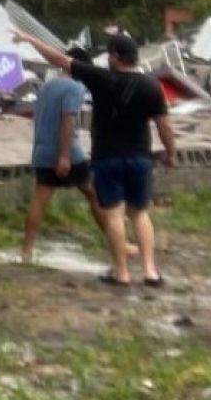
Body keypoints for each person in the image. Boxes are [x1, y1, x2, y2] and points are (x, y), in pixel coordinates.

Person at [13, 29, 177, 287]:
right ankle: (150, 271)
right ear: (134, 57)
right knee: (140, 213)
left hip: (108, 157)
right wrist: (171, 153)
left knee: (113, 215)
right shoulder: (152, 86)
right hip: (139, 157)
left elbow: (59, 59)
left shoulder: (100, 79)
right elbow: (164, 125)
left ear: (114, 56)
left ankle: (121, 272)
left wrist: (29, 39)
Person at [22, 46, 106, 264]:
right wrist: (65, 155)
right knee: (94, 195)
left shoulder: (47, 87)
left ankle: (26, 251)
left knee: (39, 200)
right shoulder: (75, 88)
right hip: (67, 151)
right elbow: (67, 120)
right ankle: (116, 242)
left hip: (41, 150)